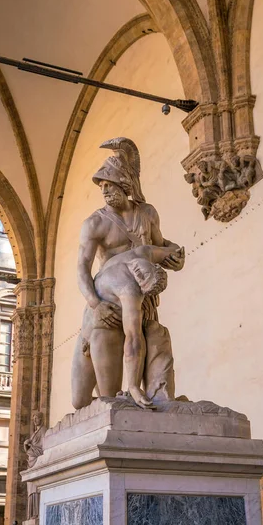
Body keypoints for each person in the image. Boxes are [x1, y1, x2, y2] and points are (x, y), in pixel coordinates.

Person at [74, 137, 184, 408]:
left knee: (144, 353)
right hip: (107, 305)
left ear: (126, 185)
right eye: (102, 186)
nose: (105, 191)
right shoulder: (95, 223)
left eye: (109, 185)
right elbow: (82, 269)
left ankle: (146, 397)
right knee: (87, 400)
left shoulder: (146, 214)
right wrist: (95, 304)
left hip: (141, 300)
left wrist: (176, 255)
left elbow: (161, 247)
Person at [73, 244, 182, 409]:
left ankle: (130, 405)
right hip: (85, 335)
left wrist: (133, 386)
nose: (139, 272)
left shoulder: (131, 288)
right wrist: (178, 258)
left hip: (103, 336)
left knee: (110, 402)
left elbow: (133, 338)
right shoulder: (145, 255)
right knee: (79, 402)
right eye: (143, 272)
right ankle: (124, 404)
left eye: (142, 278)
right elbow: (174, 252)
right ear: (153, 266)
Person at [24, 412, 46, 519]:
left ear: (42, 419)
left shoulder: (43, 431)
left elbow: (43, 448)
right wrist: (26, 445)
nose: (35, 421)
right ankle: (32, 514)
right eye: (33, 419)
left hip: (37, 461)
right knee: (31, 489)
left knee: (37, 488)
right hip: (31, 462)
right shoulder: (34, 433)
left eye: (36, 418)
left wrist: (30, 447)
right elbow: (30, 449)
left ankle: (37, 514)